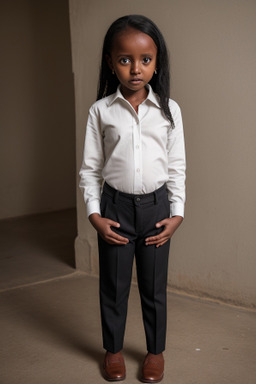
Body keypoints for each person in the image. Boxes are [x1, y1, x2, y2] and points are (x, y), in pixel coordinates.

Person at [79, 14, 186, 383]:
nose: (135, 69)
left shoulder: (170, 112)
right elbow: (90, 170)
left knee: (154, 288)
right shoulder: (101, 112)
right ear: (111, 63)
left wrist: (178, 213)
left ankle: (155, 353)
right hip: (115, 209)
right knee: (114, 285)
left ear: (157, 64)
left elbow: (177, 168)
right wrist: (94, 214)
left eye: (145, 60)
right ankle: (113, 351)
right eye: (125, 60)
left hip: (157, 209)